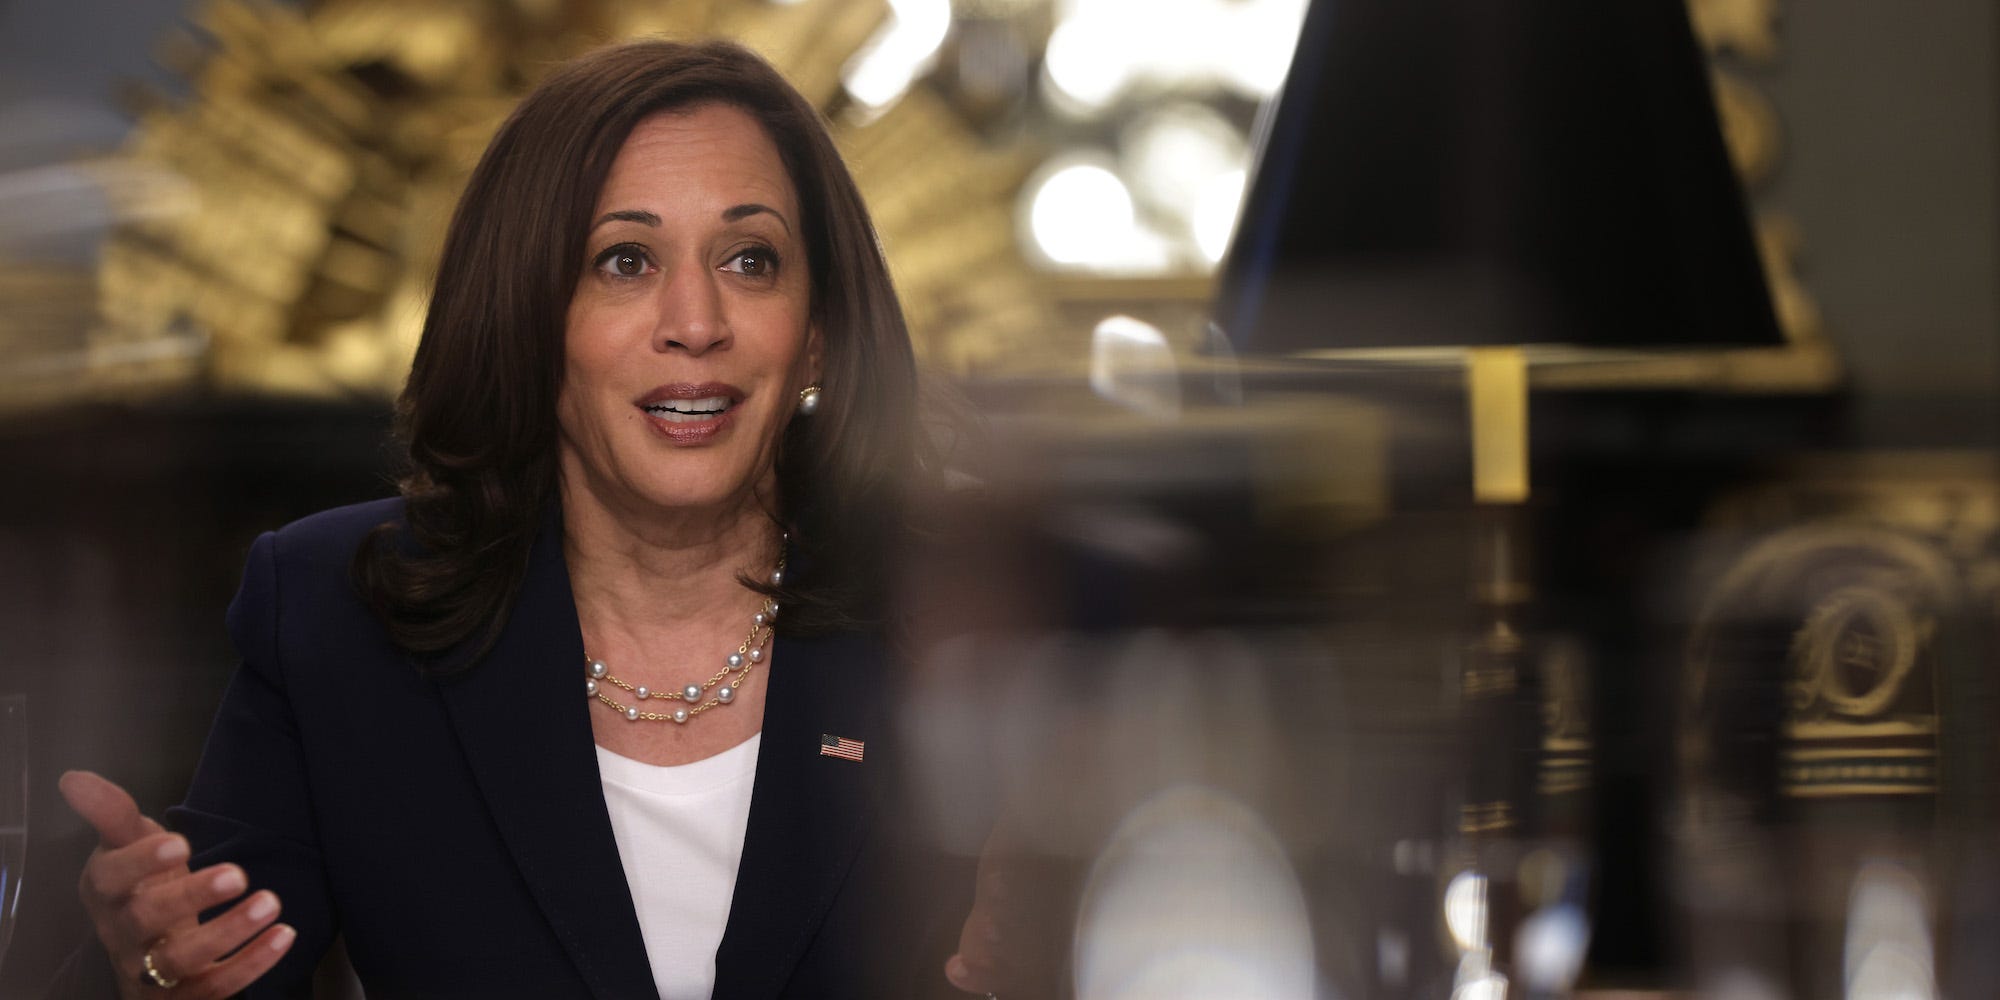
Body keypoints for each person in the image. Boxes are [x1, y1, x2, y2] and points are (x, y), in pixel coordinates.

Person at [54, 38, 987, 998]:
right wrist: (150, 969)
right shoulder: (341, 611)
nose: (696, 321)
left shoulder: (964, 614)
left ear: (819, 332)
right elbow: (210, 954)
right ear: (529, 316)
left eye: (751, 260)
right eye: (625, 260)